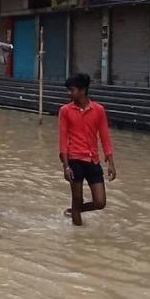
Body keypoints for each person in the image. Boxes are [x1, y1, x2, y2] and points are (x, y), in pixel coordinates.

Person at [59, 73, 116, 226]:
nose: (69, 93)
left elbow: (105, 137)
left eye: (72, 90)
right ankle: (78, 236)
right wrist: (66, 166)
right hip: (74, 159)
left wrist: (110, 162)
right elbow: (63, 140)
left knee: (100, 202)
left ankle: (74, 210)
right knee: (77, 198)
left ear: (82, 90)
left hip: (93, 160)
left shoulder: (98, 110)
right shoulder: (65, 111)